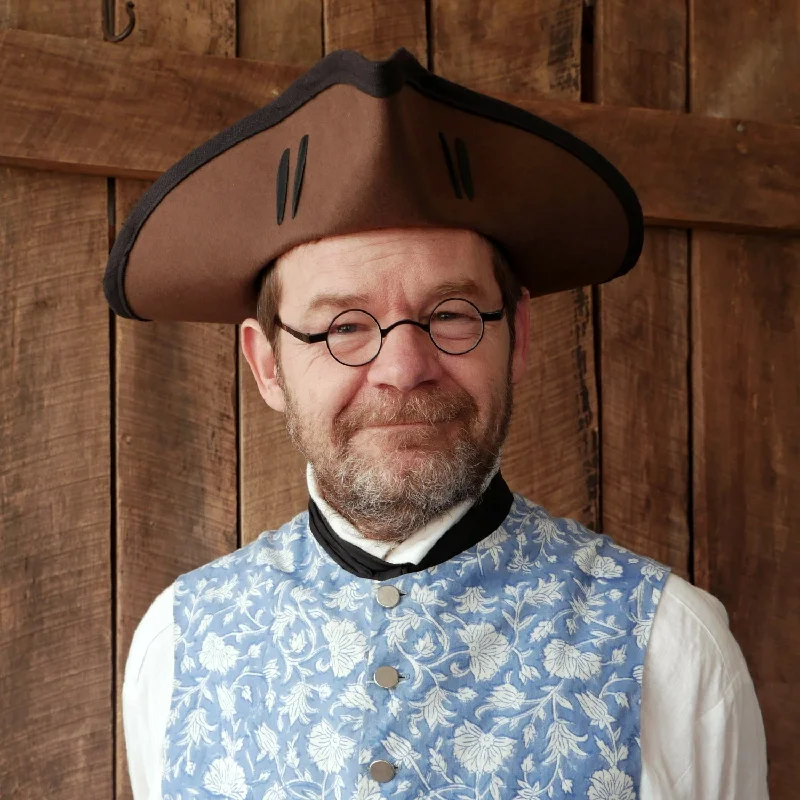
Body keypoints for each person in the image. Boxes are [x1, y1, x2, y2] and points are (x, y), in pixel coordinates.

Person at [106, 47, 769, 800]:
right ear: (266, 366)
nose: (404, 367)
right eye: (344, 327)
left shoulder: (673, 651)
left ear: (515, 337)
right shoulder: (179, 645)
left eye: (449, 315)